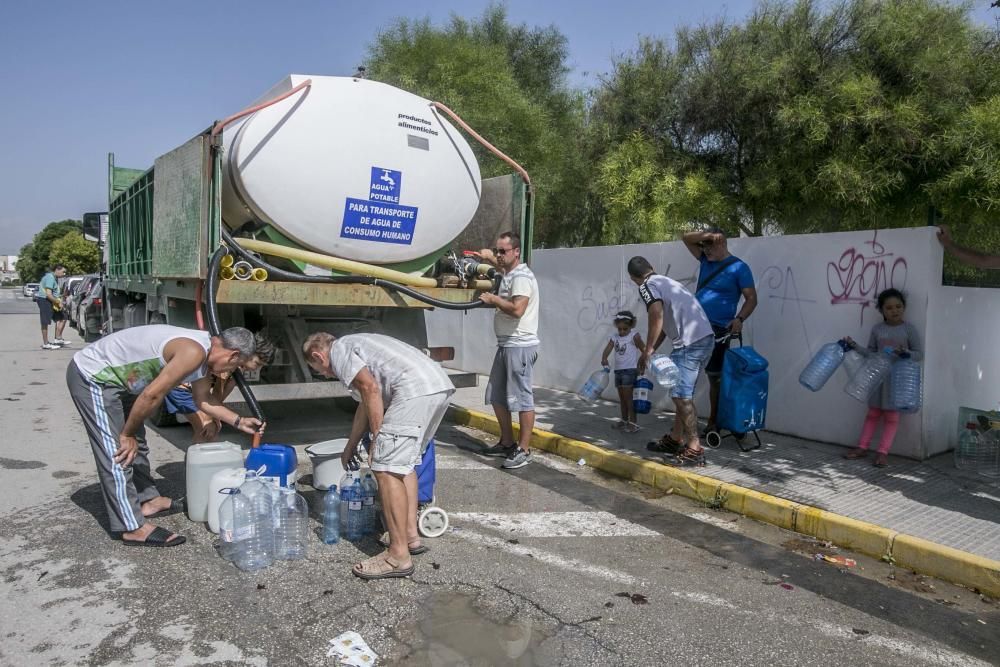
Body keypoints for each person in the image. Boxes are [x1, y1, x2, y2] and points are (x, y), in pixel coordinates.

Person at [66, 325, 264, 547]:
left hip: (125, 383)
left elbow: (203, 400)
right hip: (94, 378)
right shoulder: (193, 351)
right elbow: (152, 394)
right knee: (118, 449)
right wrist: (127, 433)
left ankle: (148, 499)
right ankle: (132, 527)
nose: (232, 368)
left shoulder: (203, 353)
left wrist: (239, 421)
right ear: (234, 354)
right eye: (236, 364)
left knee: (137, 445)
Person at [303, 332, 455, 580]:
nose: (324, 374)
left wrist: (376, 438)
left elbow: (371, 389)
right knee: (404, 466)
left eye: (318, 369)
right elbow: (365, 402)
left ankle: (397, 557)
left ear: (318, 356)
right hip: (437, 386)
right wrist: (350, 445)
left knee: (385, 469)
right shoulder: (358, 346)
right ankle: (409, 537)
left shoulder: (340, 350)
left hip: (413, 390)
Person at [628, 256, 715, 467]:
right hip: (704, 339)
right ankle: (675, 439)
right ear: (652, 268)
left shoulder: (647, 286)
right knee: (680, 394)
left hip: (689, 344)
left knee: (681, 397)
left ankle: (694, 447)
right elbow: (666, 327)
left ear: (633, 278)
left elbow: (656, 316)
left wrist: (647, 350)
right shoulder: (666, 281)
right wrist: (650, 350)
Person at [475, 231, 540, 470]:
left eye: (503, 251)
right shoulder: (509, 272)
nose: (499, 255)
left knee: (522, 399)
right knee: (496, 395)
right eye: (497, 250)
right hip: (506, 344)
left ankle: (523, 449)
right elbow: (499, 264)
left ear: (516, 252)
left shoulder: (521, 276)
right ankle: (506, 442)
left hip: (520, 345)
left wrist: (494, 300)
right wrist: (487, 257)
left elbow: (517, 309)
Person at [682, 228, 757, 434]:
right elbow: (686, 238)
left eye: (710, 246)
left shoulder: (739, 268)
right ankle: (682, 424)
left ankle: (714, 421)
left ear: (722, 243)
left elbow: (752, 299)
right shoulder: (706, 261)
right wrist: (706, 236)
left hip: (719, 330)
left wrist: (739, 318)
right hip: (695, 327)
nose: (705, 250)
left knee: (715, 377)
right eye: (704, 247)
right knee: (686, 375)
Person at [842, 289, 922, 468]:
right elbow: (871, 353)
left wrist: (905, 353)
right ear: (882, 310)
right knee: (873, 413)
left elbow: (919, 354)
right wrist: (854, 346)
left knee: (892, 417)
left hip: (899, 380)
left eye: (898, 306)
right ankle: (862, 447)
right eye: (889, 307)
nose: (895, 310)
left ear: (904, 307)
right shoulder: (877, 329)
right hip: (877, 377)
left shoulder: (909, 329)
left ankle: (882, 452)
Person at [162, 332, 276, 442]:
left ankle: (200, 459)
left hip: (198, 393)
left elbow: (221, 395)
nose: (257, 369)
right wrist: (210, 419)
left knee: (212, 430)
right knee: (205, 430)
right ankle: (197, 461)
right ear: (249, 354)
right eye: (257, 363)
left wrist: (216, 417)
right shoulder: (231, 363)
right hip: (183, 389)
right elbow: (218, 391)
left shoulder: (239, 369)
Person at [599, 310, 645, 433]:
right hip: (618, 371)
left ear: (631, 326)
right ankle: (624, 420)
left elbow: (644, 349)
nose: (622, 332)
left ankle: (633, 423)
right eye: (619, 329)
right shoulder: (614, 337)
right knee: (622, 398)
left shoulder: (634, 335)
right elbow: (608, 349)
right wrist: (604, 358)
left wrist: (642, 363)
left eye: (625, 329)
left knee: (629, 398)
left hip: (629, 371)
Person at [36, 264, 69, 350]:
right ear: (57, 270)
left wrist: (60, 298)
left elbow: (54, 293)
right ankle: (46, 343)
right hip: (45, 301)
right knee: (45, 322)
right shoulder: (50, 278)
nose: (64, 274)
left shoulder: (54, 278)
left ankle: (58, 338)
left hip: (52, 301)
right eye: (63, 272)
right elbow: (48, 294)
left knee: (63, 317)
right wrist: (58, 302)